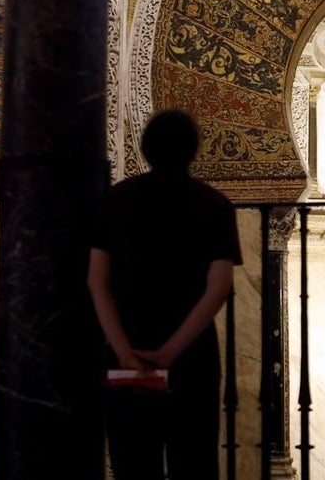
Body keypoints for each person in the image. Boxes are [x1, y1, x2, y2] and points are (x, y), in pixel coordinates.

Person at [88, 109, 242, 480]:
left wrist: (125, 352)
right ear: (193, 150)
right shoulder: (215, 205)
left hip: (128, 358)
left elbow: (97, 280)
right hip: (192, 361)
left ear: (145, 148)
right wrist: (169, 355)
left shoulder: (114, 201)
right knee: (194, 463)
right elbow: (219, 288)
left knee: (134, 465)